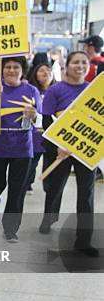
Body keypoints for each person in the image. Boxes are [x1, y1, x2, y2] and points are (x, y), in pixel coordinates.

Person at [39, 51, 99, 257]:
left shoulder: (94, 90)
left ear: (89, 66)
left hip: (85, 151)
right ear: (67, 65)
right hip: (61, 149)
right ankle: (48, 219)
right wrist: (59, 144)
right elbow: (46, 120)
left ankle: (84, 240)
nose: (80, 66)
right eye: (76, 62)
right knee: (55, 187)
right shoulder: (56, 90)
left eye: (84, 62)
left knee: (87, 194)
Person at [0, 56, 42, 242]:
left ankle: (11, 229)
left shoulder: (32, 91)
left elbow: (40, 122)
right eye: (8, 67)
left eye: (16, 67)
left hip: (22, 149)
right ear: (1, 69)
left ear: (23, 70)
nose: (12, 70)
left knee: (17, 191)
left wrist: (35, 116)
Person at [25, 63, 55, 194]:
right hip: (35, 134)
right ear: (35, 74)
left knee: (50, 162)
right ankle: (27, 183)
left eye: (48, 70)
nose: (45, 73)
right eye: (41, 70)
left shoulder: (56, 91)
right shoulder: (31, 91)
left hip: (52, 134)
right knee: (32, 162)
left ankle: (49, 186)